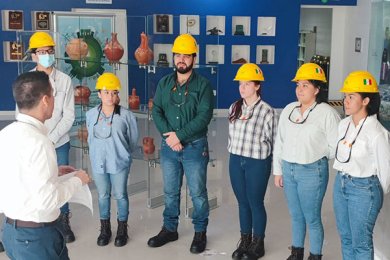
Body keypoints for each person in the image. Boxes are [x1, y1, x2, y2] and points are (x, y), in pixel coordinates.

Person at [0, 71, 90, 259]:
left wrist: (54, 173)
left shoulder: (6, 134)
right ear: (45, 100)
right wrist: (77, 181)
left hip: (11, 232)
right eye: (53, 95)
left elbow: (16, 175)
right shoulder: (41, 142)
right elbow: (47, 200)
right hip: (36, 238)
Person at [147, 33, 214, 254]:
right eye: (178, 55)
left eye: (186, 55)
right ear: (173, 57)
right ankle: (170, 229)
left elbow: (204, 116)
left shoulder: (203, 85)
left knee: (198, 193)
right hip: (169, 148)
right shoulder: (165, 83)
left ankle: (200, 232)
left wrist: (179, 136)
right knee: (170, 191)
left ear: (194, 58)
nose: (181, 59)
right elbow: (156, 110)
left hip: (195, 147)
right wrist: (169, 136)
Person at [273, 63, 340, 260]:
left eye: (305, 85)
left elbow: (336, 146)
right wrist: (278, 171)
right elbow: (280, 141)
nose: (299, 89)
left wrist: (319, 154)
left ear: (317, 89)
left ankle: (315, 255)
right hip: (289, 169)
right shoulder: (289, 109)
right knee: (295, 215)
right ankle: (296, 252)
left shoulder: (326, 113)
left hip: (312, 171)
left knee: (312, 217)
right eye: (298, 85)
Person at [333, 71, 390, 260]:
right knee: (346, 238)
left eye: (351, 96)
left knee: (361, 243)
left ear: (365, 101)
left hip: (364, 189)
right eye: (345, 96)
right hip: (341, 184)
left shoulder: (377, 133)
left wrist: (372, 195)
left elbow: (385, 172)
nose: (345, 101)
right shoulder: (344, 125)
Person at [27, 31, 76, 243]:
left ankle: (64, 221)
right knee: (36, 178)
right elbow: (23, 113)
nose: (46, 55)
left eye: (49, 51)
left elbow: (69, 115)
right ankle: (37, 218)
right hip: (34, 141)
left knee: (61, 179)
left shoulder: (64, 80)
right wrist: (39, 139)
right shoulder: (27, 81)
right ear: (33, 56)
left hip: (59, 141)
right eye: (41, 52)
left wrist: (51, 139)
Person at [228, 63, 278, 260]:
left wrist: (276, 169)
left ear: (257, 86)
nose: (242, 87)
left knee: (255, 202)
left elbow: (274, 141)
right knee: (242, 202)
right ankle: (245, 240)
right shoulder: (234, 107)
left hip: (257, 162)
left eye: (247, 83)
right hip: (235, 160)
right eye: (241, 83)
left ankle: (258, 243)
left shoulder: (267, 111)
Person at [86, 72, 138, 247]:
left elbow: (133, 140)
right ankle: (105, 229)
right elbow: (90, 139)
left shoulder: (126, 115)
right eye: (106, 92)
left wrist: (124, 155)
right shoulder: (91, 115)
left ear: (118, 94)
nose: (110, 96)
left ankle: (122, 229)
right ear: (99, 94)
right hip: (98, 162)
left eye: (114, 92)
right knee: (102, 195)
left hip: (119, 161)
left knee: (121, 195)